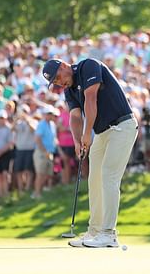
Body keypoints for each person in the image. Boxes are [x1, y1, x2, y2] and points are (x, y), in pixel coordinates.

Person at [42, 58, 138, 248]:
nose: (59, 83)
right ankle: (94, 232)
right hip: (103, 133)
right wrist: (78, 141)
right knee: (94, 180)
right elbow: (75, 116)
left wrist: (87, 134)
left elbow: (91, 100)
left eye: (58, 77)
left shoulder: (88, 66)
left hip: (122, 126)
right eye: (55, 82)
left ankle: (109, 234)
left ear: (63, 66)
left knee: (108, 176)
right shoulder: (69, 90)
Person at [33, 107, 58, 199]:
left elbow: (54, 139)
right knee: (40, 174)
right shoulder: (41, 124)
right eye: (48, 114)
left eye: (51, 114)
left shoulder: (52, 125)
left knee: (47, 174)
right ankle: (36, 193)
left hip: (49, 152)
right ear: (44, 115)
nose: (50, 115)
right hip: (41, 152)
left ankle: (40, 192)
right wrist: (44, 151)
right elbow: (37, 139)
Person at [13, 105, 37, 192]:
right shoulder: (18, 123)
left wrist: (27, 120)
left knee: (29, 170)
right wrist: (16, 120)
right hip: (20, 149)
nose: (23, 114)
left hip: (30, 148)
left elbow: (34, 129)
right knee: (19, 171)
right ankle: (20, 189)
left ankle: (27, 188)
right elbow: (12, 129)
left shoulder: (32, 121)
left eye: (25, 112)